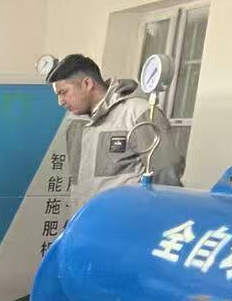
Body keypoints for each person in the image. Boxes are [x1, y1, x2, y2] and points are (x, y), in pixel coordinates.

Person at [49, 54, 184, 215]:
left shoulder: (137, 113)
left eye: (63, 92)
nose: (60, 102)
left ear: (87, 84)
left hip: (126, 222)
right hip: (85, 222)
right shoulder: (76, 123)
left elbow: (166, 175)